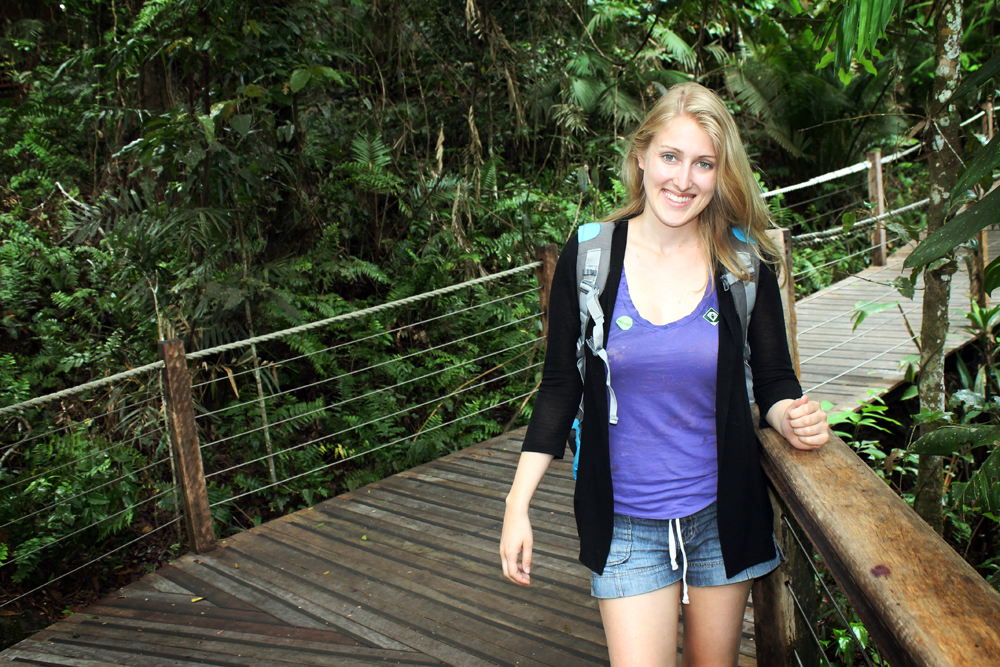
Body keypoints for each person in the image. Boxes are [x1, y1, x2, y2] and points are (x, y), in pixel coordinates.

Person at [499, 82, 830, 667]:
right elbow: (560, 386)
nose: (684, 179)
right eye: (671, 157)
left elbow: (776, 378)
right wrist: (516, 505)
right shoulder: (592, 255)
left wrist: (790, 415)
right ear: (641, 155)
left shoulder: (744, 261)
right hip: (626, 522)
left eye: (703, 163)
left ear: (720, 173)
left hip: (720, 515)